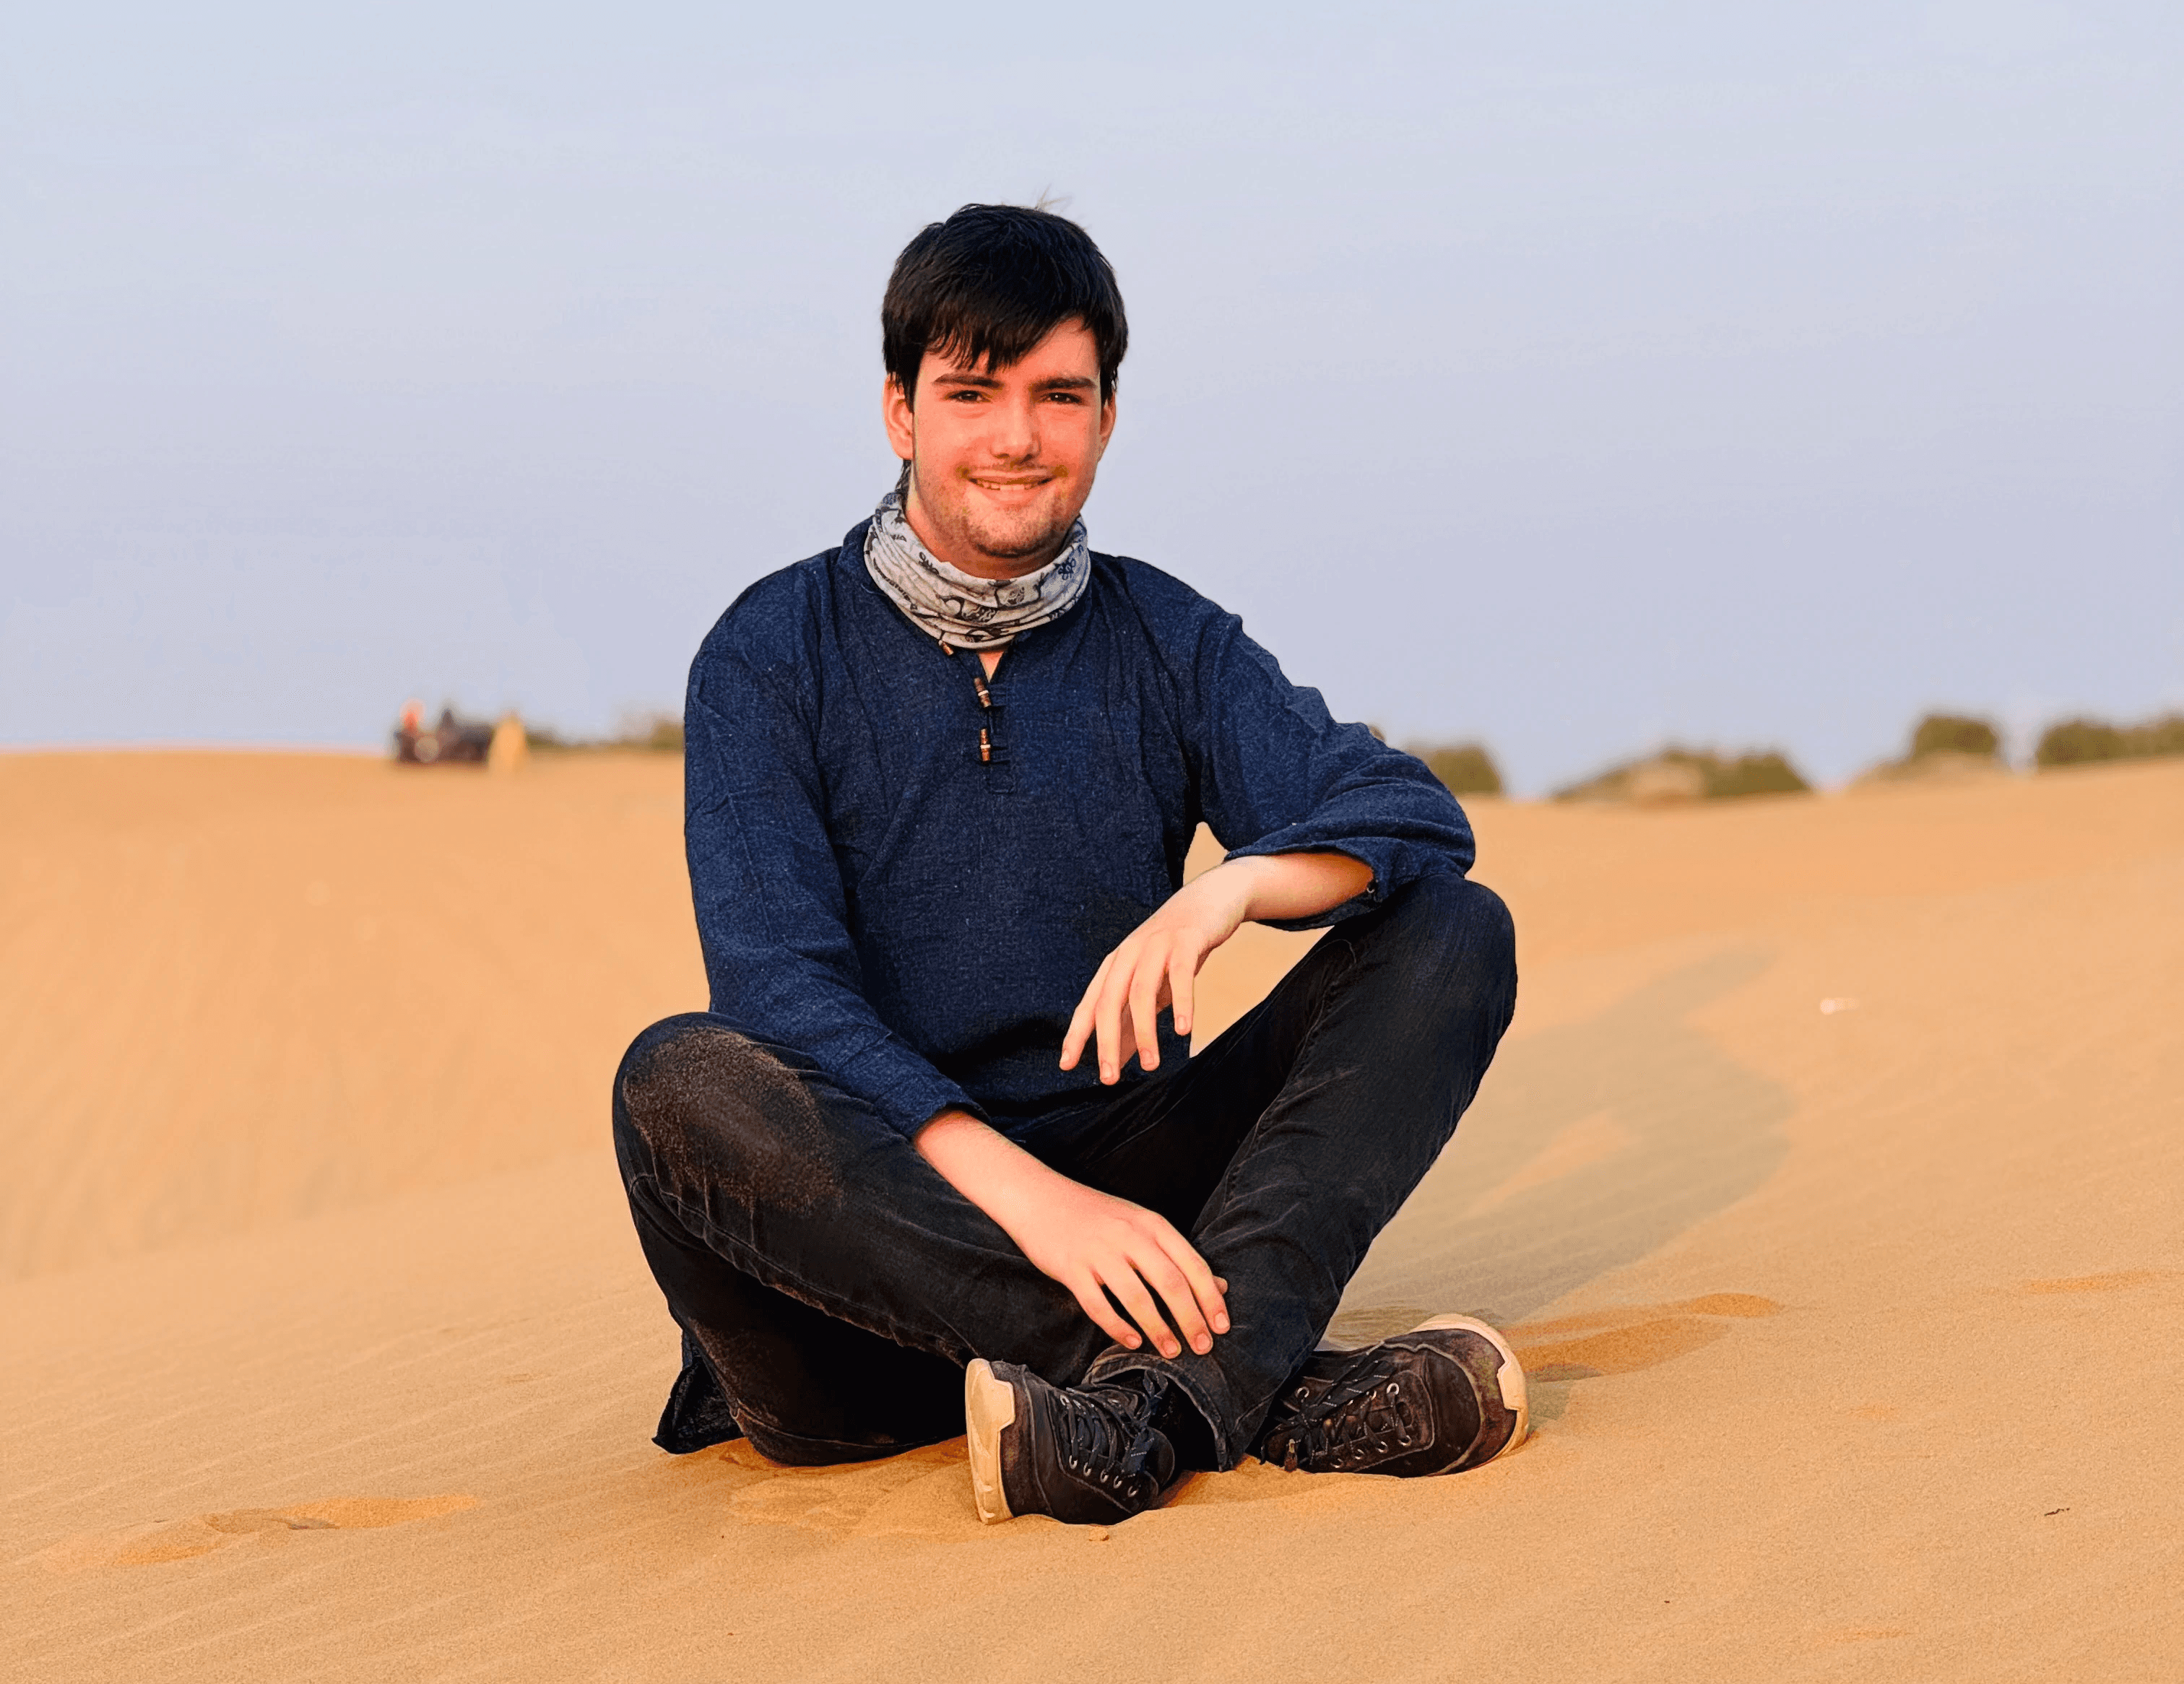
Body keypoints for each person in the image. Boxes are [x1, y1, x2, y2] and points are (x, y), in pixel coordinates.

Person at [612, 203, 1524, 1527]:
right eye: (972, 392)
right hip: (859, 1278)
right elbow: (777, 989)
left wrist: (1230, 890)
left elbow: (1408, 813)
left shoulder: (1163, 638)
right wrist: (1031, 1203)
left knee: (1454, 932)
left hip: (1131, 1201)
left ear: (1105, 418)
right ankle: (1237, 1388)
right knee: (676, 1080)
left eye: (1061, 395)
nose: (1017, 437)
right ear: (900, 413)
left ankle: (1133, 1418)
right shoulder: (770, 651)